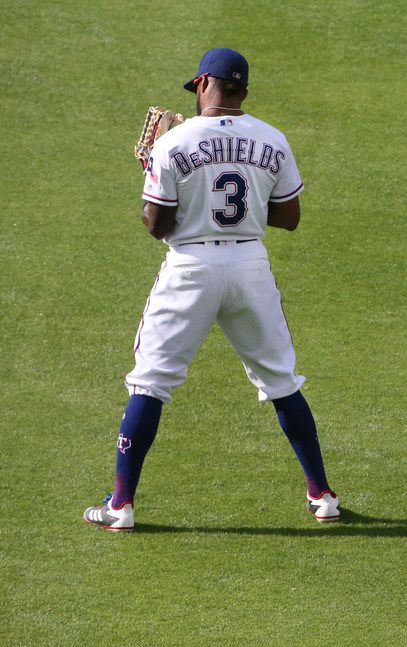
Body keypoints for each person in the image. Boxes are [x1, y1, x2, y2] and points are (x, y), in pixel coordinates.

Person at [84, 48, 339, 532]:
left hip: (191, 267)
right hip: (249, 265)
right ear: (243, 89)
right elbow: (289, 218)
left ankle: (120, 505)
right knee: (281, 380)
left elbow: (157, 224)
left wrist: (154, 172)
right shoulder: (273, 139)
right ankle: (322, 495)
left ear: (203, 83)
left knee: (151, 380)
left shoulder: (174, 143)